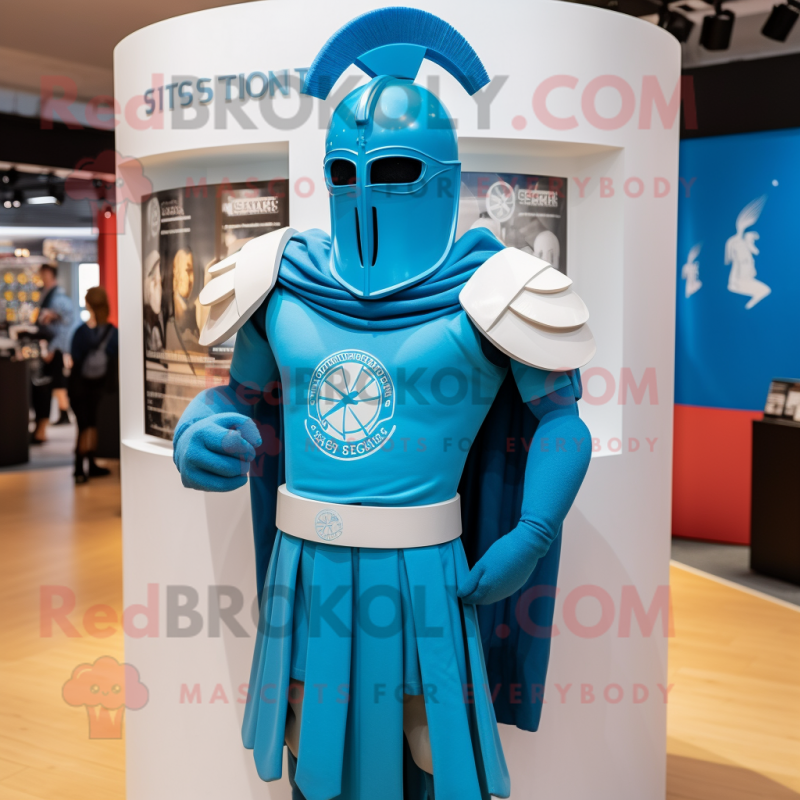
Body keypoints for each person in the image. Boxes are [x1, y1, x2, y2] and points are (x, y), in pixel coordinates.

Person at [173, 10, 595, 800]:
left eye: (396, 168)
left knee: (436, 751)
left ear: (442, 174)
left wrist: (533, 534)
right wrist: (195, 433)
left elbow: (560, 421)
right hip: (307, 565)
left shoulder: (497, 289)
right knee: (311, 743)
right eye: (346, 170)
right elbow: (241, 396)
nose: (366, 190)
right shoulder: (281, 277)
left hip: (426, 566)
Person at [68, 286, 118, 484]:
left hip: (78, 386)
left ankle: (79, 467)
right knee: (92, 424)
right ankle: (91, 463)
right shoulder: (112, 333)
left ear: (88, 304)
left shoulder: (81, 332)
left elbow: (75, 358)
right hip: (99, 387)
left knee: (83, 426)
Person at [31, 263, 75, 443]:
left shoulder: (58, 296)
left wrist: (53, 348)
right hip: (47, 347)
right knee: (52, 385)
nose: (42, 276)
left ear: (50, 273)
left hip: (53, 348)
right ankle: (53, 420)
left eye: (44, 273)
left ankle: (44, 427)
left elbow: (66, 324)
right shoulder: (46, 293)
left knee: (49, 386)